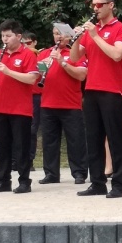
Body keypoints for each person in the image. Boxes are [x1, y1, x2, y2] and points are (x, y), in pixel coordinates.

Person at [69, 0, 122, 198]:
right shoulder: (90, 31)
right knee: (93, 138)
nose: (95, 9)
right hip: (92, 90)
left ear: (110, 5)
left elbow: (117, 54)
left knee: (116, 138)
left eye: (100, 5)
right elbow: (74, 57)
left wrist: (95, 35)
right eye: (93, 5)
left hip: (113, 91)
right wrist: (77, 39)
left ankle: (119, 185)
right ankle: (97, 182)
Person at [0, 20, 40, 194]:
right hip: (1, 106)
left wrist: (7, 71)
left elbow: (31, 79)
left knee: (21, 146)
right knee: (2, 146)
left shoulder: (28, 54)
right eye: (2, 36)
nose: (5, 39)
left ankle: (24, 181)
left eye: (8, 36)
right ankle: (3, 181)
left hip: (20, 108)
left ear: (18, 36)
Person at [37, 24, 89, 184]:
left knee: (76, 141)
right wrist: (44, 66)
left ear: (69, 36)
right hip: (48, 104)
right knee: (49, 141)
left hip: (71, 104)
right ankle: (51, 173)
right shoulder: (45, 53)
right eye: (54, 34)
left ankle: (79, 173)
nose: (57, 37)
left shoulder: (76, 53)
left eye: (60, 34)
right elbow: (37, 76)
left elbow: (82, 75)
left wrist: (63, 63)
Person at [23, 31, 41, 171]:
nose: (25, 46)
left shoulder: (40, 55)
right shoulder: (22, 55)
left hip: (36, 95)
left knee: (32, 129)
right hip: (22, 95)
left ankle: (29, 160)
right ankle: (17, 159)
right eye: (23, 43)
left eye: (28, 43)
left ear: (35, 42)